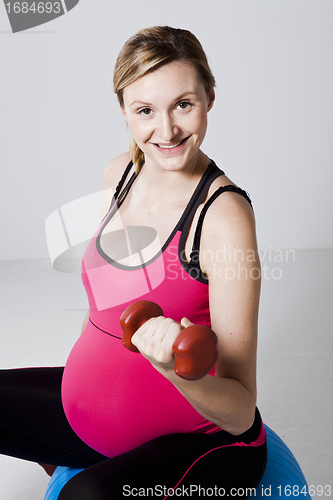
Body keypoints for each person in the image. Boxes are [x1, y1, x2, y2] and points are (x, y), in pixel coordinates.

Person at [0, 26, 267, 499]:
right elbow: (105, 306)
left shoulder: (223, 217)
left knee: (85, 496)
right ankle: (75, 459)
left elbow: (241, 410)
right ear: (123, 110)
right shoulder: (118, 174)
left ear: (209, 95)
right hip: (92, 422)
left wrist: (172, 369)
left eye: (184, 104)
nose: (166, 132)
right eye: (145, 111)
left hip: (209, 442)